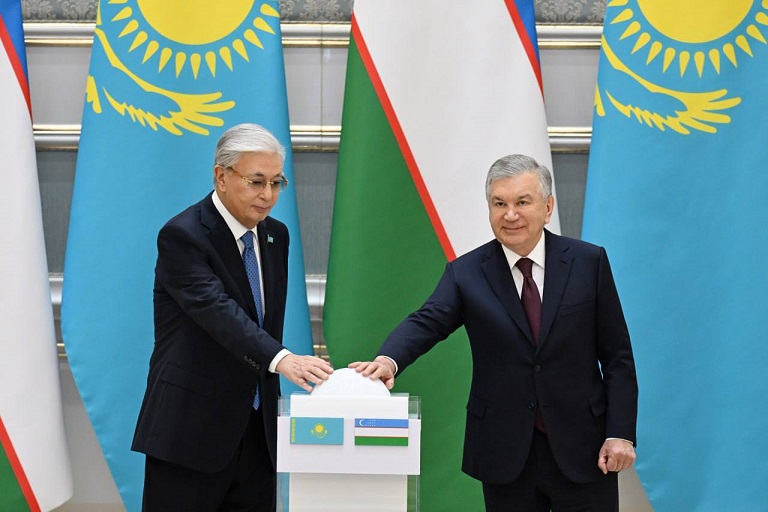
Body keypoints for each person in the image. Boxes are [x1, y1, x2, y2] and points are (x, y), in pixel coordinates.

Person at [352, 154, 638, 511]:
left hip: (585, 447)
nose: (510, 214)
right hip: (505, 450)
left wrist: (620, 433)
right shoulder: (467, 272)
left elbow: (617, 357)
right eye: (499, 203)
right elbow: (428, 320)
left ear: (548, 207)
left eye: (522, 202)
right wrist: (388, 360)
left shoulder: (588, 262)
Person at [132, 123, 334, 512]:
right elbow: (218, 312)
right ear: (221, 177)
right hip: (190, 432)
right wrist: (282, 359)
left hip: (258, 434)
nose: (268, 195)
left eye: (276, 183)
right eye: (256, 182)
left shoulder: (275, 236)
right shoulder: (183, 235)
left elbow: (264, 321)